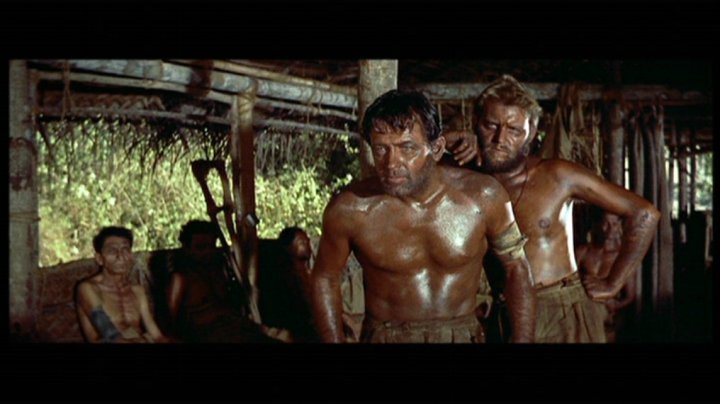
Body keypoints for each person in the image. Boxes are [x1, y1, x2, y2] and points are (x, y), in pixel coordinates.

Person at [443, 75, 660, 343]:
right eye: (491, 126)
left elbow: (644, 212)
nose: (500, 138)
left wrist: (612, 283)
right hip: (500, 311)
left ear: (532, 132)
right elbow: (411, 170)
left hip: (560, 310)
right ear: (476, 123)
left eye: (514, 130)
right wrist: (445, 140)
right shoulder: (465, 179)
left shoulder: (557, 175)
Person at [310, 89, 535, 343]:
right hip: (387, 336)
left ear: (436, 149)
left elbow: (516, 267)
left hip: (462, 334)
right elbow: (325, 278)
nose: (392, 163)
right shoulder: (350, 210)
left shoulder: (484, 196)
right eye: (381, 149)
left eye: (407, 148)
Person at [167, 220, 270, 342]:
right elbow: (170, 317)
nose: (207, 252)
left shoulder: (218, 271)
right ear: (187, 249)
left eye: (211, 246)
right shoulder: (181, 278)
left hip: (235, 326)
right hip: (207, 333)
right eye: (200, 248)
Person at [76, 226, 168, 343]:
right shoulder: (88, 288)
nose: (120, 256)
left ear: (130, 255)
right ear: (99, 259)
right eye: (112, 251)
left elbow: (157, 336)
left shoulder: (137, 290)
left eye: (125, 250)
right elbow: (111, 335)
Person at [575, 209, 636, 342]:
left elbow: (630, 296)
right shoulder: (583, 252)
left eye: (614, 224)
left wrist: (614, 305)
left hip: (607, 315)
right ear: (598, 224)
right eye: (605, 223)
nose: (609, 229)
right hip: (581, 311)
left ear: (620, 226)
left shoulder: (622, 259)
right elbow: (569, 283)